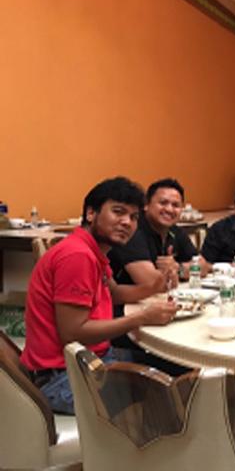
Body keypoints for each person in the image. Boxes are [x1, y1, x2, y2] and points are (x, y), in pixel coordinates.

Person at [20, 177, 178, 414]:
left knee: (173, 366)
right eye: (118, 212)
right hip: (62, 378)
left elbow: (113, 293)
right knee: (169, 390)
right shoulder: (78, 256)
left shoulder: (91, 250)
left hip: (93, 358)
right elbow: (72, 332)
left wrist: (156, 285)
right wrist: (141, 317)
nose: (127, 222)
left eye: (134, 217)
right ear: (91, 213)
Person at [108, 178, 197, 370]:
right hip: (120, 318)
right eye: (163, 203)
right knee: (186, 360)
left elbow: (202, 265)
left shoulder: (174, 231)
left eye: (176, 205)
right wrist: (168, 276)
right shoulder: (133, 231)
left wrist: (178, 269)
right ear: (146, 206)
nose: (169, 209)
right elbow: (152, 283)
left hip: (148, 307)